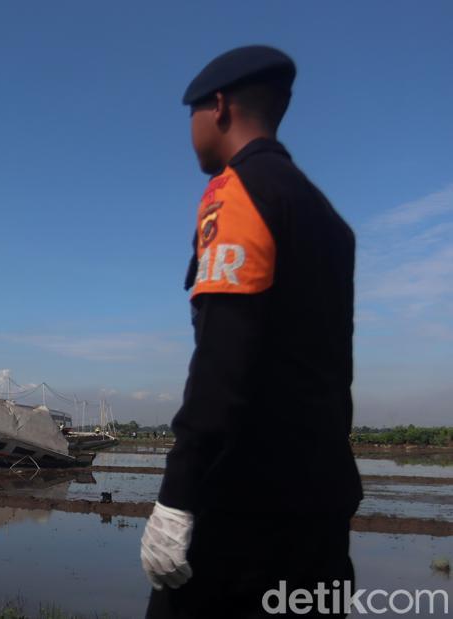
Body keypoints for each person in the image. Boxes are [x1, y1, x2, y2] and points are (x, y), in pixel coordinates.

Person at [142, 46, 361, 618]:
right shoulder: (329, 221)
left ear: (217, 107)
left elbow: (223, 358)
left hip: (244, 515)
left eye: (189, 115)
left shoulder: (237, 192)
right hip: (321, 507)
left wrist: (177, 495)